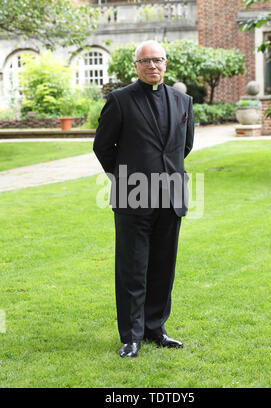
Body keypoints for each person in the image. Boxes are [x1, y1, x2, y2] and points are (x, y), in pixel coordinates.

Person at [93, 40, 194, 358]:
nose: (153, 66)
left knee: (163, 268)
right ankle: (131, 336)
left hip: (171, 197)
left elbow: (184, 146)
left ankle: (156, 329)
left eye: (158, 60)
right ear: (136, 66)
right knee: (132, 269)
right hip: (133, 196)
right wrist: (125, 178)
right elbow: (102, 146)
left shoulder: (183, 101)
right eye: (146, 61)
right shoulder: (120, 100)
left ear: (166, 63)